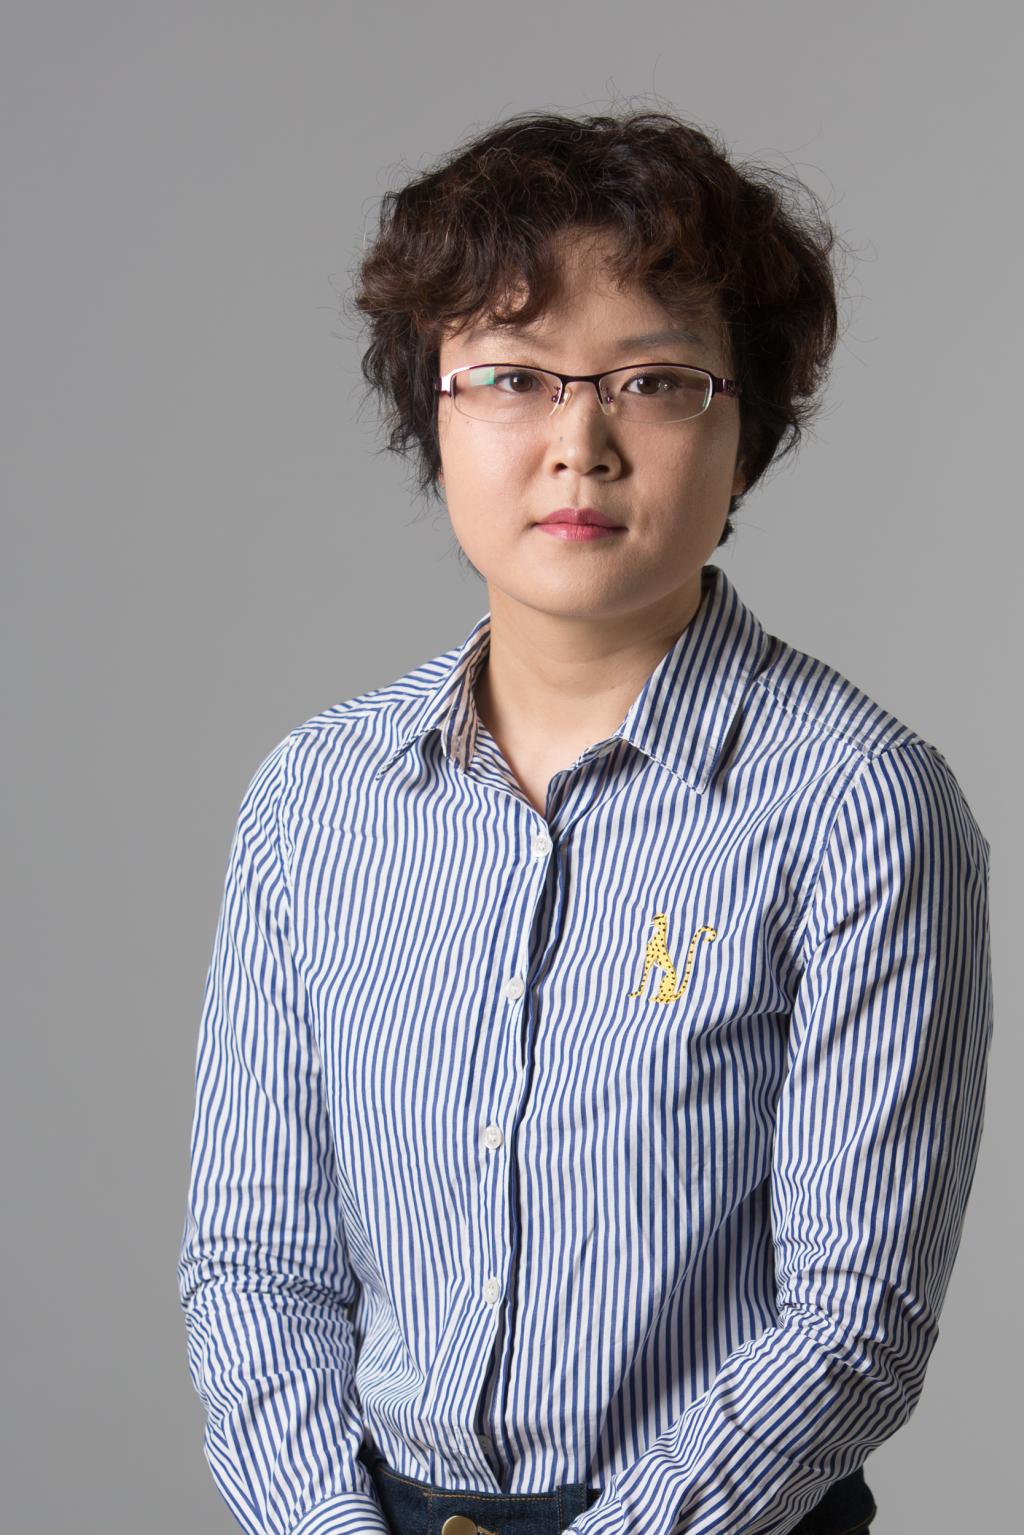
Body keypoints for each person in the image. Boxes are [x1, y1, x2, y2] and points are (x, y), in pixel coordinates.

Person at [176, 108, 993, 1535]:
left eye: (656, 382)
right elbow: (257, 1264)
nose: (580, 443)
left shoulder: (860, 804)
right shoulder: (316, 799)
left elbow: (855, 1316)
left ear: (748, 430)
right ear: (432, 412)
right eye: (511, 377)